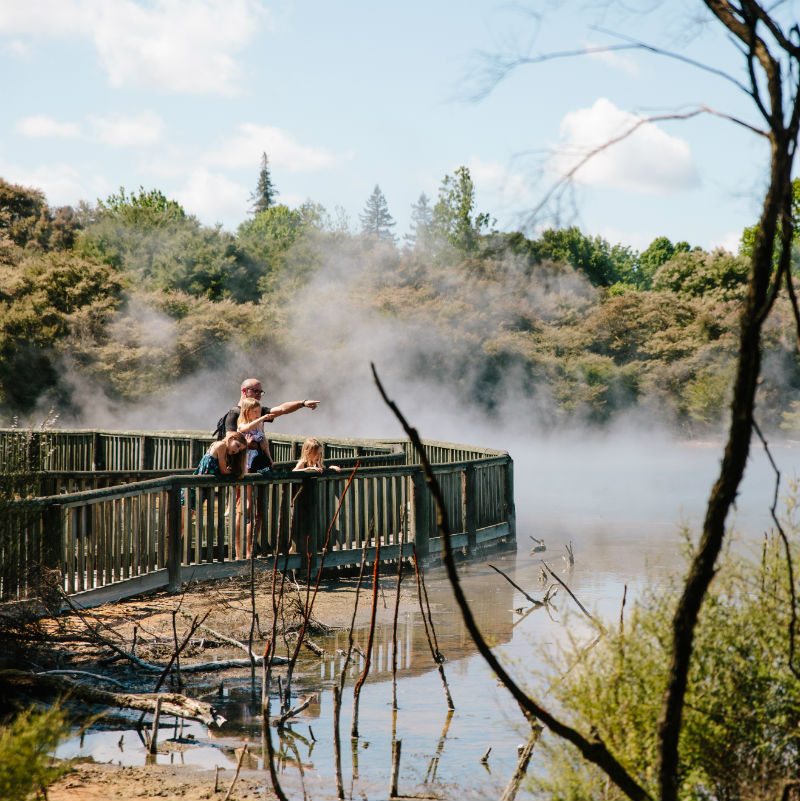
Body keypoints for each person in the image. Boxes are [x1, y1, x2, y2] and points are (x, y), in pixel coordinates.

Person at [223, 378, 321, 468]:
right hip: (240, 464)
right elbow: (230, 441)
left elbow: (282, 409)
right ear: (244, 391)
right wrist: (251, 444)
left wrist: (303, 403)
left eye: (260, 392)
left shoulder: (259, 411)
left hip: (258, 461)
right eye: (255, 391)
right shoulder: (234, 413)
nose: (258, 395)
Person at [237, 397, 274, 472]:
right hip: (245, 456)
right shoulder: (241, 425)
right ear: (247, 412)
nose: (258, 414)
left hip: (257, 455)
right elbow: (248, 427)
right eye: (255, 411)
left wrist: (269, 458)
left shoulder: (259, 425)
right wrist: (262, 418)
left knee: (257, 478)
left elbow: (264, 442)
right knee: (244, 478)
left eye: (259, 411)